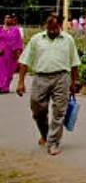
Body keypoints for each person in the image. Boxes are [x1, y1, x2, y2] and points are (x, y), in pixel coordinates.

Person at [16, 13, 80, 155]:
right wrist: (20, 82)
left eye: (55, 29)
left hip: (61, 77)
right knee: (37, 109)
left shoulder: (68, 40)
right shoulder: (36, 39)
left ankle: (53, 142)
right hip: (41, 77)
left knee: (59, 112)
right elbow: (24, 61)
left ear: (60, 26)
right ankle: (45, 134)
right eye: (49, 28)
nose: (52, 31)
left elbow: (74, 63)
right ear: (46, 26)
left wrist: (75, 82)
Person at [1, 14, 25, 93]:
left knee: (9, 71)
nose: (7, 19)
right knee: (1, 70)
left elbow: (18, 41)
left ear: (12, 20)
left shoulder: (15, 30)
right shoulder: (1, 29)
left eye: (9, 18)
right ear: (4, 19)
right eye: (6, 18)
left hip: (12, 54)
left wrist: (18, 53)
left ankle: (5, 86)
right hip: (2, 53)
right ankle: (1, 86)